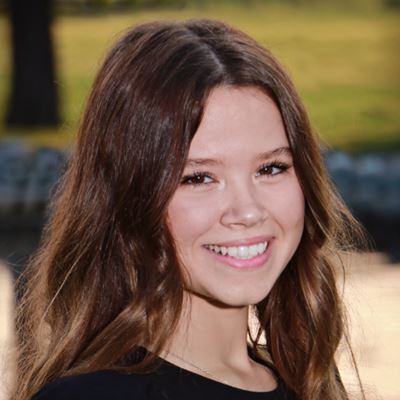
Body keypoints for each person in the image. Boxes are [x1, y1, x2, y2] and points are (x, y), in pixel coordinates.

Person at [12, 19, 365, 400]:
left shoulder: (309, 380)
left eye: (271, 168)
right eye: (198, 178)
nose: (248, 211)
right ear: (129, 197)